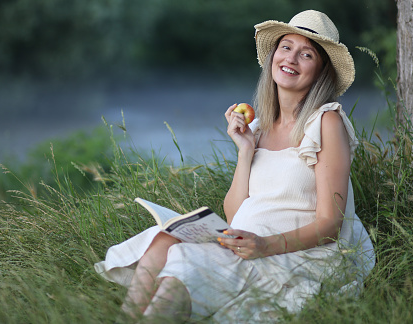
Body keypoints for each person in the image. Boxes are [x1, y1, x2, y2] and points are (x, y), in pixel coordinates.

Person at [94, 10, 375, 323]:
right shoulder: (259, 127)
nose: (291, 59)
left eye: (306, 54)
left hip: (296, 251)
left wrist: (265, 245)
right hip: (251, 240)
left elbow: (331, 223)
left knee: (185, 267)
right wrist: (245, 151)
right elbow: (235, 215)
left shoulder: (326, 122)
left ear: (321, 72)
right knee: (162, 240)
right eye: (286, 47)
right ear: (272, 57)